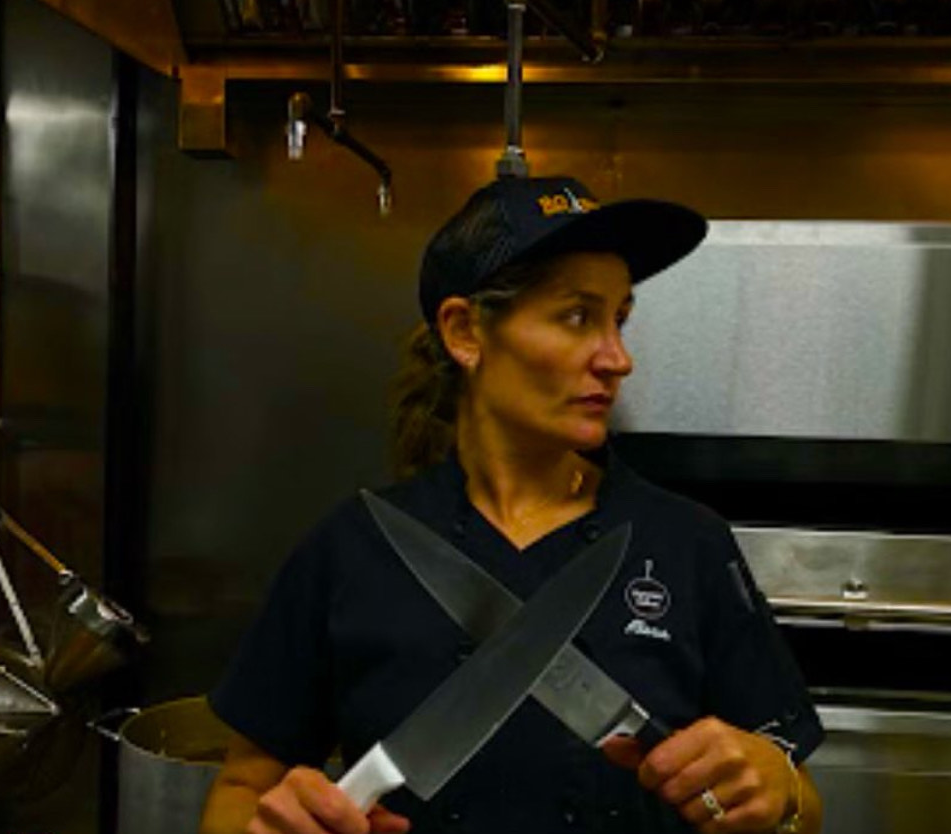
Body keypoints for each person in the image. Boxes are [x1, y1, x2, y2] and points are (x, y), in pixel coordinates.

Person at [200, 176, 825, 834]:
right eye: (578, 316)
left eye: (619, 319)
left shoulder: (687, 543)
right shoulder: (355, 548)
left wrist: (779, 790)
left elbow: (801, 803)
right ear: (466, 331)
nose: (619, 358)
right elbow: (244, 784)